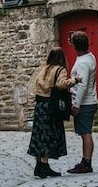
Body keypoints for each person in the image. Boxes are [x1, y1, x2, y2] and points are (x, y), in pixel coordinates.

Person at [27, 47, 80, 179]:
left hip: (40, 105)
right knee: (49, 135)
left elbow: (37, 85)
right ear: (61, 58)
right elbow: (61, 84)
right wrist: (75, 80)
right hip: (51, 106)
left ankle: (39, 165)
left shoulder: (44, 69)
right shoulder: (60, 69)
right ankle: (44, 166)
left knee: (40, 134)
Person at [67, 31, 98, 174]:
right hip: (88, 101)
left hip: (85, 103)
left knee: (85, 133)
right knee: (85, 132)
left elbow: (83, 85)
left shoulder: (84, 62)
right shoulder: (89, 57)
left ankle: (86, 163)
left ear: (75, 45)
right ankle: (86, 161)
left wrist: (76, 105)